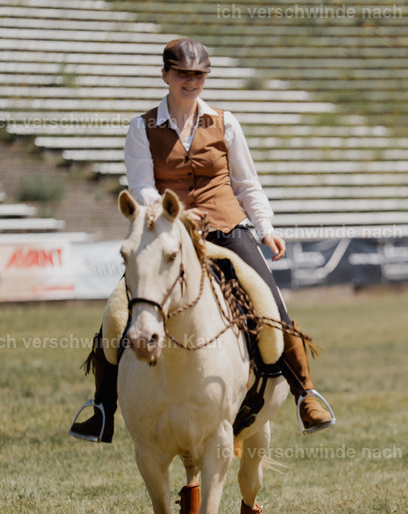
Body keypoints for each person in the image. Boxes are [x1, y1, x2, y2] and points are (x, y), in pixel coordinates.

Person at [68, 38, 334, 441]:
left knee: (273, 308)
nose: (191, 81)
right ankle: (102, 408)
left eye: (198, 74)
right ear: (166, 76)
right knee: (118, 312)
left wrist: (264, 228)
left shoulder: (226, 123)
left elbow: (247, 184)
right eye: (182, 74)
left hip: (227, 229)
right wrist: (171, 211)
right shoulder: (142, 126)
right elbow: (141, 188)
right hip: (169, 233)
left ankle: (305, 395)